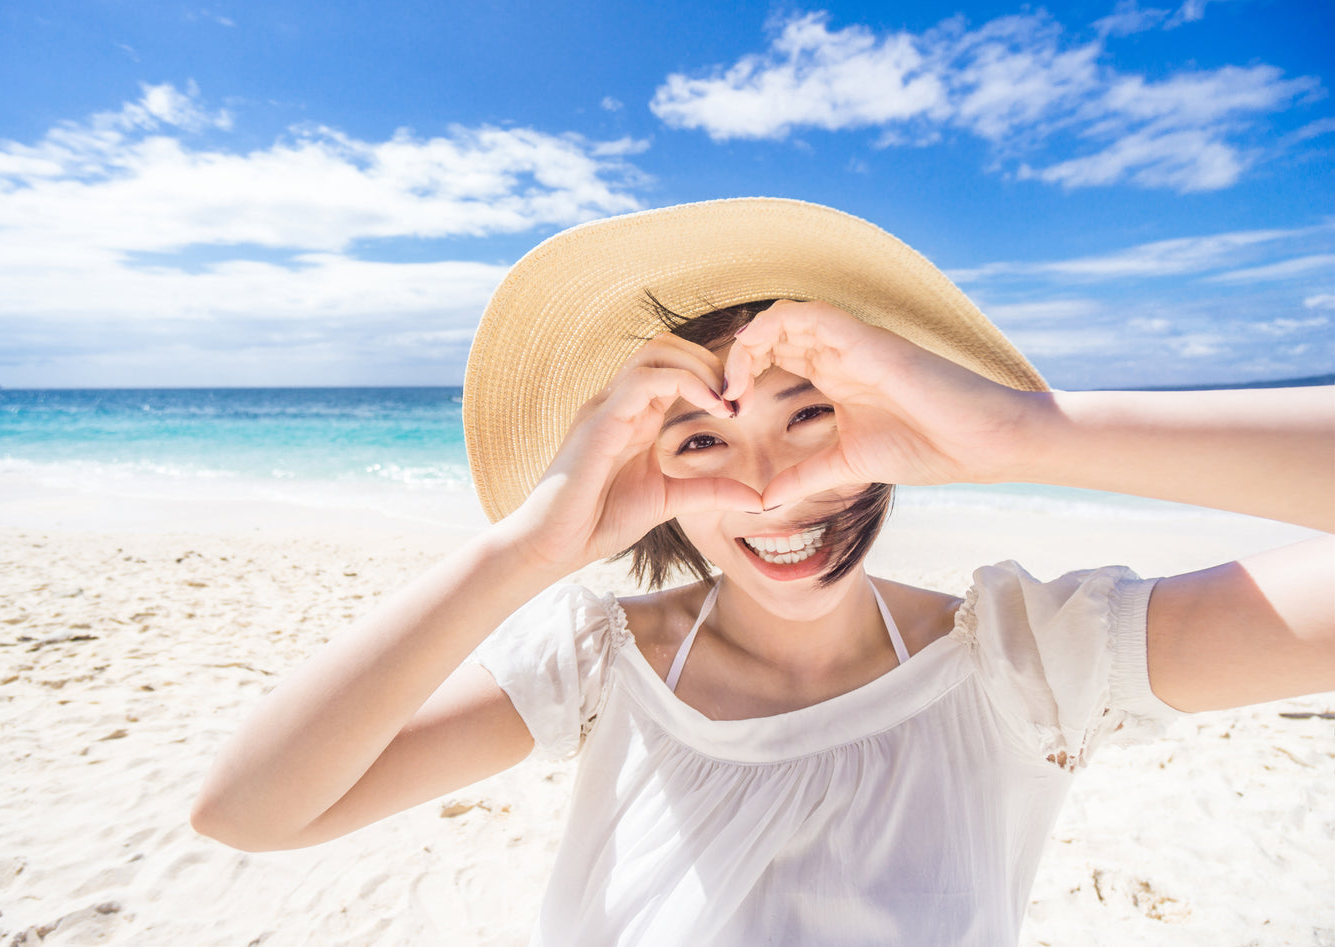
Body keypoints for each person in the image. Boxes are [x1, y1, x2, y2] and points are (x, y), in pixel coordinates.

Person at [191, 198, 1334, 945]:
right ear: (642, 475)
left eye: (812, 419)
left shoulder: (1031, 661)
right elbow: (247, 809)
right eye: (701, 441)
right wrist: (529, 547)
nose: (777, 490)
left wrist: (1027, 432)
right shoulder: (603, 663)